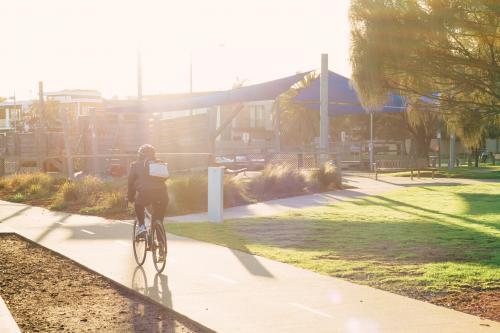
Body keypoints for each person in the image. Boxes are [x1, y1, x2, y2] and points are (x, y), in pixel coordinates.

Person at [127, 144, 168, 238]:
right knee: (158, 218)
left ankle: (142, 227)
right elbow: (165, 177)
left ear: (140, 155)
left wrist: (130, 197)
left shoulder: (136, 165)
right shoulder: (160, 163)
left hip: (146, 194)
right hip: (162, 194)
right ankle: (160, 242)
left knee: (138, 204)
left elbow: (130, 183)